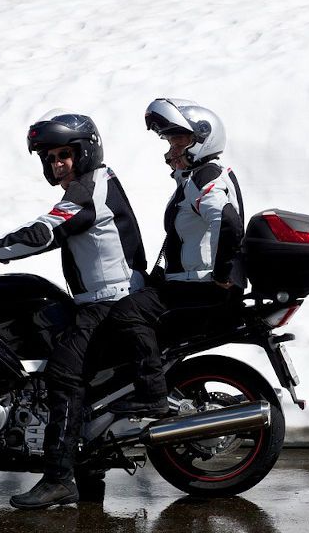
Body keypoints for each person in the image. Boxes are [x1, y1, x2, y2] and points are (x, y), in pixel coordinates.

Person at [0, 110, 146, 509]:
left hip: (108, 301)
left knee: (63, 375)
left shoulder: (87, 191)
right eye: (51, 157)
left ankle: (60, 477)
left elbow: (44, 232)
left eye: (65, 154)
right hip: (106, 296)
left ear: (85, 152)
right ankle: (87, 459)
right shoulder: (94, 183)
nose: (58, 164)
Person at [86, 98, 245, 416]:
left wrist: (225, 273)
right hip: (188, 281)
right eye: (170, 140)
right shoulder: (196, 179)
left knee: (127, 313)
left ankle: (153, 394)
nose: (171, 149)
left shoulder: (205, 178)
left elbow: (226, 221)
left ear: (201, 140)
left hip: (202, 288)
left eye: (179, 140)